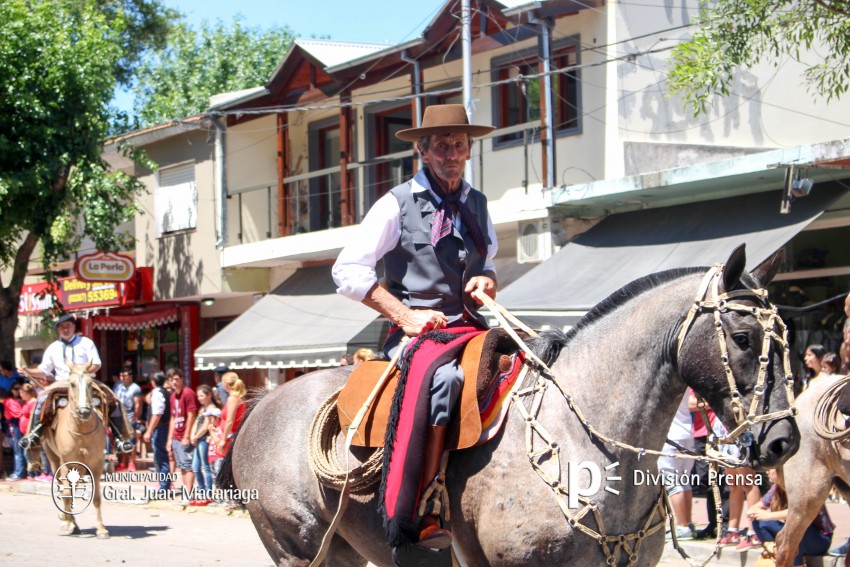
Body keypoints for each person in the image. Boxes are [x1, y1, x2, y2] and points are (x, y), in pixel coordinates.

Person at [332, 104, 497, 549]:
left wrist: (488, 280)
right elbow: (347, 270)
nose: (451, 153)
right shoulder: (395, 203)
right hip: (415, 335)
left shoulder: (477, 203)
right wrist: (405, 316)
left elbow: (489, 260)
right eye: (441, 145)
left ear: (468, 149)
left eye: (459, 144)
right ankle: (422, 507)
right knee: (446, 380)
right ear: (422, 150)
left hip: (471, 327)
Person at [17, 314, 134, 453]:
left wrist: (82, 373)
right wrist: (27, 371)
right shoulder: (53, 347)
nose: (65, 329)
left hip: (85, 380)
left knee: (111, 399)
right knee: (41, 400)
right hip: (62, 383)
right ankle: (34, 435)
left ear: (73, 326)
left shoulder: (86, 343)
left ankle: (120, 437)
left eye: (68, 326)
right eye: (61, 327)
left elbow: (96, 364)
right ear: (58, 330)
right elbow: (44, 370)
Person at [748, 468, 833, 566]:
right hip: (795, 534)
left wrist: (768, 515)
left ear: (781, 471)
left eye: (770, 469)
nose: (766, 472)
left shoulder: (802, 486)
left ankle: (796, 564)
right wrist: (752, 511)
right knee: (758, 521)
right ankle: (774, 551)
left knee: (797, 527)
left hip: (819, 539)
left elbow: (800, 512)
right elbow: (760, 505)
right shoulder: (776, 487)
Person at [661, 391, 695, 541]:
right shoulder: (685, 386)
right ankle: (687, 523)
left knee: (673, 485)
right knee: (684, 481)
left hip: (671, 436)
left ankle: (682, 526)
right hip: (687, 435)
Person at [167, 368, 198, 501]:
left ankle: (189, 493)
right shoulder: (173, 396)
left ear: (182, 379)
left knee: (187, 465)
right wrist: (169, 439)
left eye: (176, 379)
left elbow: (192, 415)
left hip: (185, 435)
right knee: (182, 466)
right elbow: (173, 418)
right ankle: (187, 490)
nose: (174, 382)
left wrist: (187, 435)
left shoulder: (188, 393)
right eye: (171, 379)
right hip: (176, 435)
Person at [189, 384, 220, 505]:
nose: (199, 398)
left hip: (204, 440)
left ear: (209, 395)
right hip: (198, 439)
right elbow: (196, 423)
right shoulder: (202, 409)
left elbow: (206, 425)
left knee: (206, 467)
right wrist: (192, 435)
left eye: (202, 395)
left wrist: (196, 436)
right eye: (198, 396)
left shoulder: (212, 409)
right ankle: (202, 491)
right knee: (196, 467)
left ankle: (208, 493)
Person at [143, 371, 172, 491]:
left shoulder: (157, 394)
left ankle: (164, 487)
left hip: (160, 429)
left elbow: (157, 414)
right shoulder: (165, 392)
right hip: (164, 427)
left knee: (161, 458)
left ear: (153, 382)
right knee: (161, 458)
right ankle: (163, 484)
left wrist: (149, 431)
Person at [113, 367, 143, 472]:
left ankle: (132, 463)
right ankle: (123, 462)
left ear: (130, 376)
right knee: (122, 441)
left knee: (132, 441)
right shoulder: (118, 386)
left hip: (130, 417)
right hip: (119, 417)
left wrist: (135, 416)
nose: (123, 378)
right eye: (121, 376)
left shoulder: (135, 388)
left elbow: (138, 403)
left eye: (125, 376)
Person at [217, 372, 246, 455]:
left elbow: (229, 421)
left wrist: (223, 439)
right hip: (233, 436)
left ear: (225, 384)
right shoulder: (239, 398)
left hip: (231, 437)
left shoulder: (232, 399)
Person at [1, 385, 25, 481]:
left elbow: (18, 414)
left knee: (18, 451)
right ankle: (18, 471)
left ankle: (19, 473)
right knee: (16, 450)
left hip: (16, 425)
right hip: (12, 425)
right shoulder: (7, 402)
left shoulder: (10, 402)